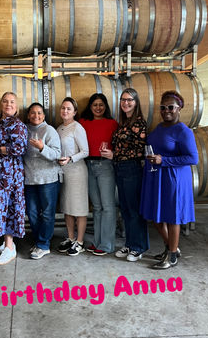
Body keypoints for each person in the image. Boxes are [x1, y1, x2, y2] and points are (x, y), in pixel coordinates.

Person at [140, 91, 198, 269]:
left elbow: (192, 158)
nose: (167, 111)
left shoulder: (183, 131)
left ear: (179, 108)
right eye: (163, 107)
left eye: (171, 107)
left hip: (174, 179)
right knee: (157, 217)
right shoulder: (160, 127)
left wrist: (163, 160)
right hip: (157, 177)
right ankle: (171, 247)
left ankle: (172, 256)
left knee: (172, 218)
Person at [103, 88, 149, 262]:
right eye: (123, 100)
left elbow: (139, 151)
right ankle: (130, 244)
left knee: (134, 209)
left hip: (132, 168)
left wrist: (115, 155)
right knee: (126, 209)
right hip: (119, 168)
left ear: (136, 102)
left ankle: (139, 247)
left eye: (130, 100)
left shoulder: (139, 123)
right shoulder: (124, 122)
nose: (126, 103)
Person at [0, 92, 28, 265]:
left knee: (9, 206)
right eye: (5, 101)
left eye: (12, 102)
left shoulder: (17, 125)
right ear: (1, 104)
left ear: (16, 106)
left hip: (9, 174)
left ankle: (10, 247)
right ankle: (6, 243)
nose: (8, 104)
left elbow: (20, 149)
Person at [80, 93, 118, 256]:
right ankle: (97, 242)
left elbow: (121, 146)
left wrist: (113, 153)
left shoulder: (113, 123)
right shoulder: (83, 123)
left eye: (101, 104)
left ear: (106, 107)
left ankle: (107, 244)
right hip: (88, 165)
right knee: (96, 207)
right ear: (90, 106)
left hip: (105, 165)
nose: (98, 107)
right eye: (95, 104)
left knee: (108, 206)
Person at [23, 102, 61, 260]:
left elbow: (57, 154)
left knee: (46, 213)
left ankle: (43, 244)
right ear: (28, 115)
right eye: (32, 113)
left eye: (39, 113)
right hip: (29, 179)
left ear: (44, 116)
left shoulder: (49, 130)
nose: (36, 116)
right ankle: (40, 241)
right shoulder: (24, 130)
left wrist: (42, 147)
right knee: (31, 213)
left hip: (47, 179)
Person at [57, 97, 89, 256]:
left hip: (77, 172)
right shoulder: (59, 128)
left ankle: (80, 242)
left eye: (69, 109)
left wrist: (70, 158)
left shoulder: (77, 128)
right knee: (67, 208)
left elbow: (85, 151)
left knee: (79, 208)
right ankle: (70, 238)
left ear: (75, 112)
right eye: (63, 108)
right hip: (64, 172)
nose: (65, 111)